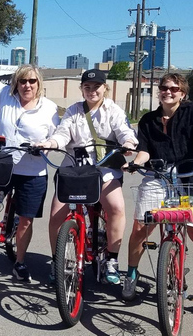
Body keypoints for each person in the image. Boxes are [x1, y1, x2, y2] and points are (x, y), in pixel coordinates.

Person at [122, 73, 193, 321]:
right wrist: (134, 164)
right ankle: (131, 274)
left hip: (190, 178)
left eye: (174, 88)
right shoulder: (148, 120)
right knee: (141, 227)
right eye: (164, 88)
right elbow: (144, 151)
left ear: (182, 93)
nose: (168, 92)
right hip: (158, 177)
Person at [0, 28, 59, 281]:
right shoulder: (5, 97)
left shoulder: (49, 108)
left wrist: (47, 144)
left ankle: (19, 262)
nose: (27, 85)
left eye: (32, 81)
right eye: (22, 81)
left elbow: (59, 136)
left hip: (33, 171)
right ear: (15, 83)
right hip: (2, 166)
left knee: (25, 220)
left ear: (38, 84)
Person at [37, 69, 137, 284]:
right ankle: (57, 260)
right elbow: (62, 134)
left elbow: (124, 131)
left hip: (104, 168)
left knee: (116, 208)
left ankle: (111, 259)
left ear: (105, 88)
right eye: (87, 87)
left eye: (96, 87)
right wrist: (50, 143)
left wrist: (128, 143)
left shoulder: (114, 111)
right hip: (75, 168)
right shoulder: (73, 111)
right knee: (56, 215)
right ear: (82, 89)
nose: (92, 91)